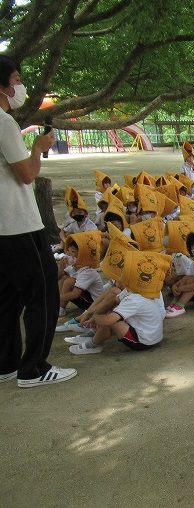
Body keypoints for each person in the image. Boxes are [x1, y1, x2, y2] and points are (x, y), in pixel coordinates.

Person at [0, 54, 77, 387]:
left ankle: (5, 363)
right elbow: (27, 174)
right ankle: (34, 368)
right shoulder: (4, 122)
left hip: (3, 226)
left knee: (7, 295)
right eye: (16, 80)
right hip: (18, 223)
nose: (20, 87)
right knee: (43, 291)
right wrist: (38, 148)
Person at [68, 251, 169, 355]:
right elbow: (114, 300)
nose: (117, 277)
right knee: (112, 310)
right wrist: (95, 315)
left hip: (143, 342)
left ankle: (93, 344)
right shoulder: (136, 291)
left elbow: (108, 320)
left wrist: (97, 317)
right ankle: (94, 334)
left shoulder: (135, 299)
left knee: (111, 320)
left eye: (122, 274)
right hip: (150, 334)